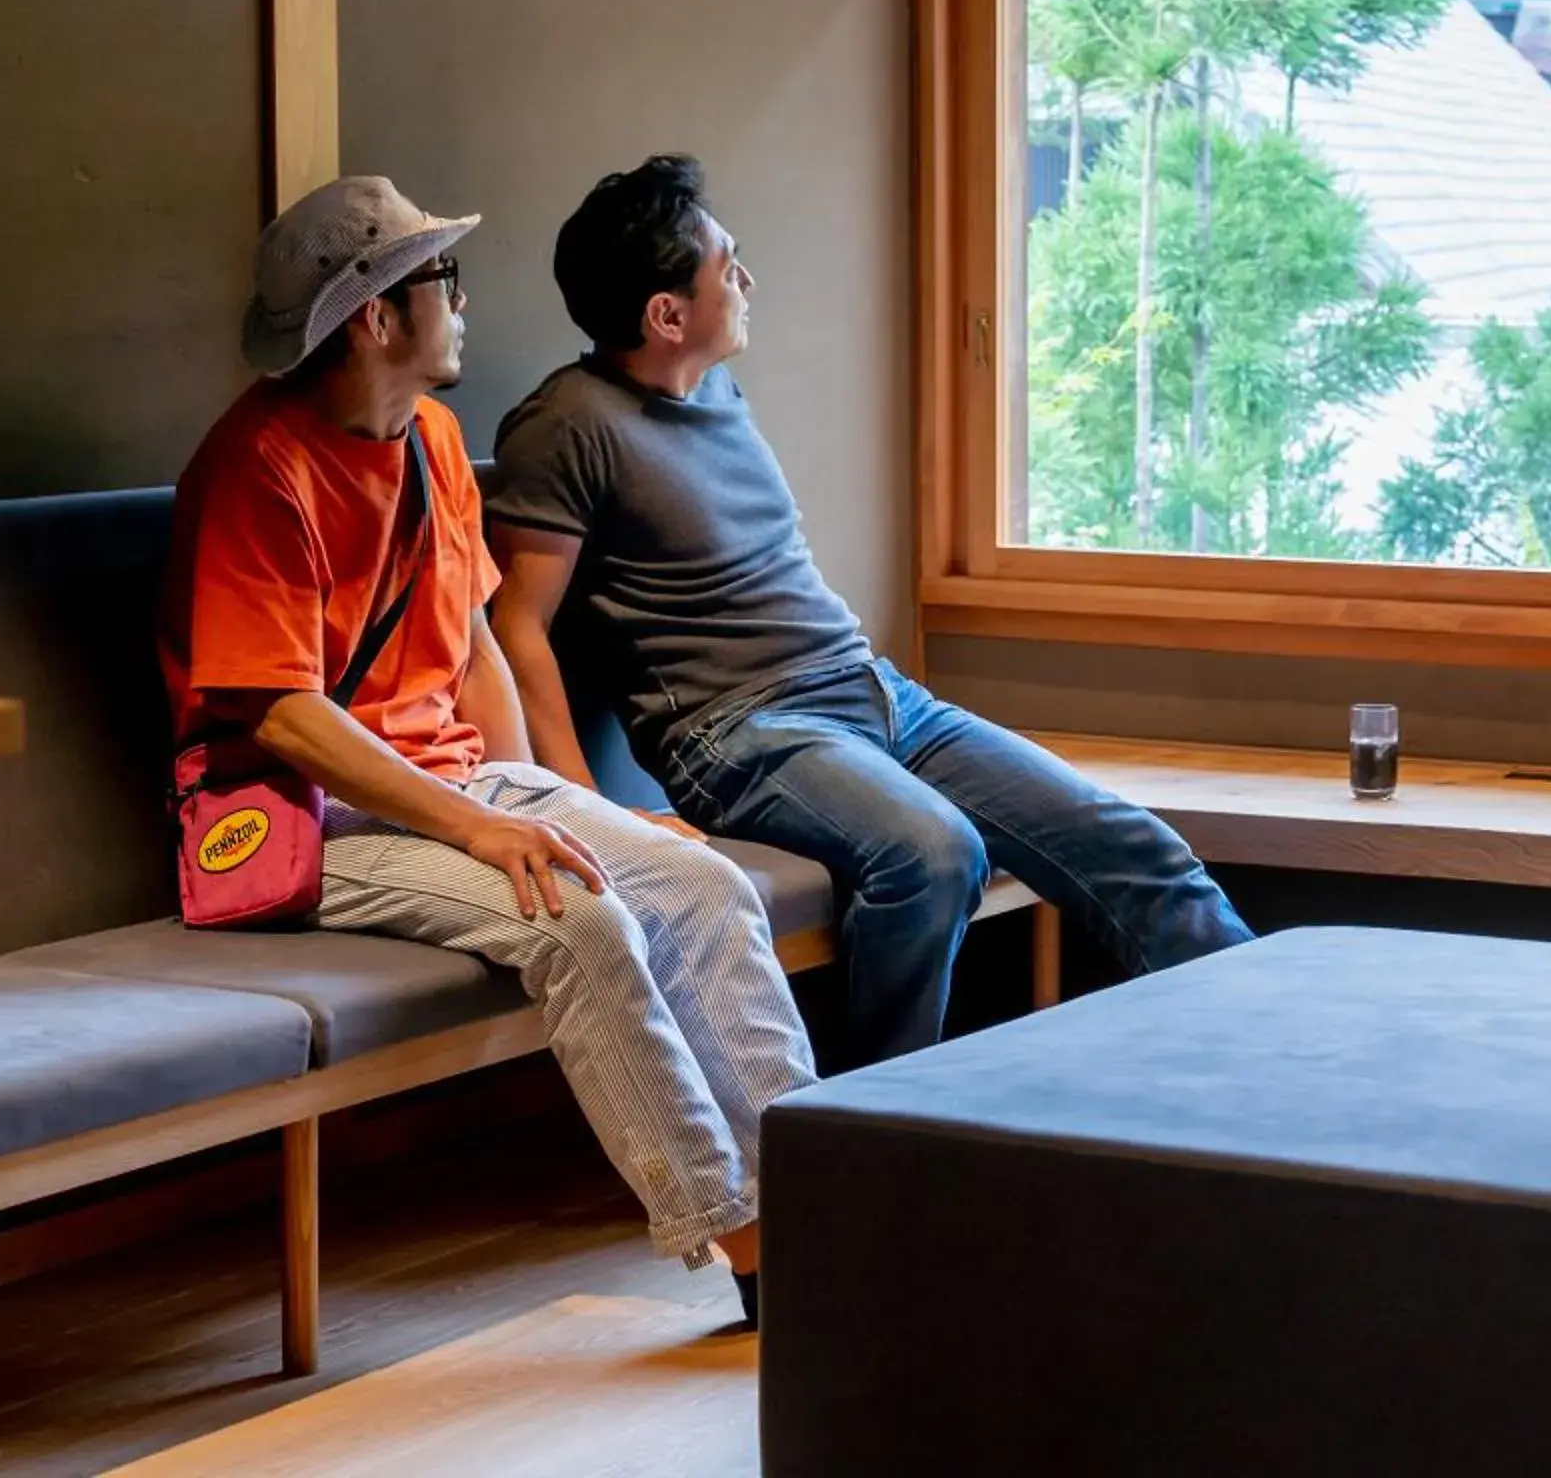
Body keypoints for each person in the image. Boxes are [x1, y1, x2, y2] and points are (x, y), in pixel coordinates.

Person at [162, 175, 814, 1324]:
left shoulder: (434, 440)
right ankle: (755, 1246)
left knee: (708, 887)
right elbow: (280, 714)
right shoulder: (255, 469)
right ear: (375, 316)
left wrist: (566, 803)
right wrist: (482, 824)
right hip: (312, 810)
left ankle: (824, 1210)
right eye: (441, 282)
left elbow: (473, 648)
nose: (463, 303)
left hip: (459, 779)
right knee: (587, 920)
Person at [486, 156, 1254, 1065]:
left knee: (1136, 848)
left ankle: (1269, 1064)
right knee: (932, 855)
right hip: (740, 732)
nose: (746, 280)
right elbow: (518, 624)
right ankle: (869, 1144)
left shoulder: (715, 388)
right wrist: (584, 809)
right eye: (726, 266)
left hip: (874, 694)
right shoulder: (564, 425)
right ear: (666, 314)